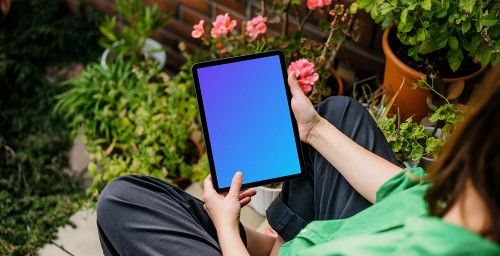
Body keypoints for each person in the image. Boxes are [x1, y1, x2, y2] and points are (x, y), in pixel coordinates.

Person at [97, 63, 500, 256]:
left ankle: (269, 241)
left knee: (123, 201)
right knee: (339, 112)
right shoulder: (458, 206)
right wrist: (314, 129)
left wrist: (226, 229)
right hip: (306, 244)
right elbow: (402, 190)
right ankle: (277, 239)